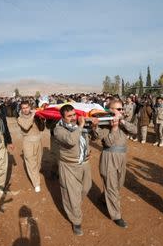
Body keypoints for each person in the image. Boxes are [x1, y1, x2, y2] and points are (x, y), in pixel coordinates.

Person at [54, 104, 98, 236]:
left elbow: (93, 138)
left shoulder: (80, 126)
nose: (73, 118)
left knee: (86, 187)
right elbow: (71, 140)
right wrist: (81, 125)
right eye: (69, 116)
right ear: (62, 117)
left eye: (74, 115)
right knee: (71, 194)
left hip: (84, 163)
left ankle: (75, 206)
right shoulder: (58, 129)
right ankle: (76, 221)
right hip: (69, 166)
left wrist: (94, 127)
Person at [97, 99, 135, 228]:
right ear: (111, 110)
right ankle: (116, 215)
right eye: (119, 109)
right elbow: (108, 142)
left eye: (122, 109)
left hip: (122, 157)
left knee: (118, 184)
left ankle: (104, 198)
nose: (121, 111)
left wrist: (122, 121)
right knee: (112, 187)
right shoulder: (103, 124)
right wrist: (114, 128)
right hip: (109, 156)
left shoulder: (123, 122)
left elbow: (134, 130)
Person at [17, 100, 45, 193]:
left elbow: (41, 128)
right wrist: (33, 115)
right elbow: (26, 126)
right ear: (21, 109)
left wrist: (41, 120)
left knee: (38, 161)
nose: (25, 110)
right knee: (31, 161)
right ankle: (36, 183)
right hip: (28, 142)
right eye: (23, 108)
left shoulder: (36, 117)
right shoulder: (19, 118)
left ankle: (35, 175)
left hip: (38, 141)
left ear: (30, 107)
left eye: (27, 107)